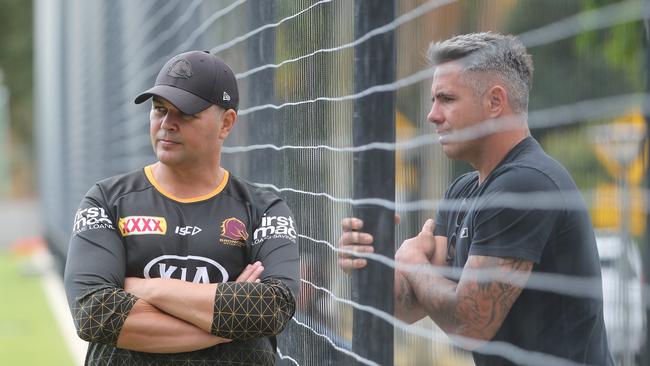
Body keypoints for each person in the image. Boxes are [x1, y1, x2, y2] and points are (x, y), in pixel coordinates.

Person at [338, 32, 614, 365]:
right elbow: (411, 306)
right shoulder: (464, 190)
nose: (433, 115)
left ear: (495, 102)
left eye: (447, 99)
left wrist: (413, 262)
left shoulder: (525, 184)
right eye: (433, 100)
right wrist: (370, 260)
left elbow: (470, 323)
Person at [64, 50, 300, 365]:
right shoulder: (106, 201)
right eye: (159, 110)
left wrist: (151, 288)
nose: (167, 124)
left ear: (226, 123)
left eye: (185, 113)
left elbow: (271, 308)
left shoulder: (264, 209)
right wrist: (228, 323)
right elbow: (95, 313)